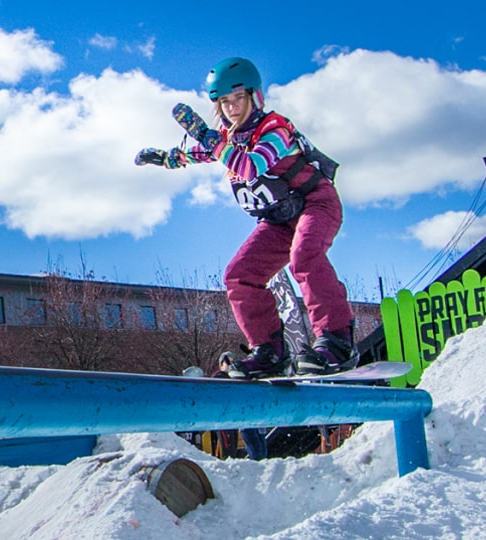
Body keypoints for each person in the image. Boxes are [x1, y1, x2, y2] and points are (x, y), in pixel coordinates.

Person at [135, 57, 356, 379]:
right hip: (279, 219)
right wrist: (165, 158)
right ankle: (269, 351)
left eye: (238, 98)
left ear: (255, 96)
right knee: (239, 275)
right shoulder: (225, 137)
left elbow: (252, 166)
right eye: (224, 102)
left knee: (304, 257)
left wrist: (213, 142)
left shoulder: (275, 128)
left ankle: (337, 340)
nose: (232, 108)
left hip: (315, 203)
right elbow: (195, 154)